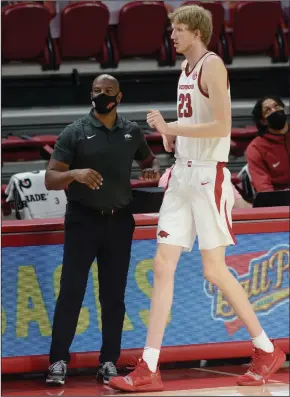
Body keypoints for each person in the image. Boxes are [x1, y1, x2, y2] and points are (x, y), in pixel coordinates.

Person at [109, 5, 286, 393]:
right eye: (171, 29)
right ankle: (149, 365)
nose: (171, 35)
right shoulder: (184, 71)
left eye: (178, 29)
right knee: (162, 265)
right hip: (182, 174)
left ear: (196, 32)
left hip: (208, 177)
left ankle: (265, 347)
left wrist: (173, 126)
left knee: (213, 270)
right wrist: (171, 135)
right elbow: (194, 123)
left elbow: (223, 125)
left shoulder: (212, 65)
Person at [45, 74, 160, 386]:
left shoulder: (131, 131)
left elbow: (149, 161)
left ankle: (109, 361)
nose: (101, 95)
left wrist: (151, 170)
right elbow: (50, 178)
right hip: (83, 220)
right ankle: (58, 361)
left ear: (118, 97)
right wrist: (76, 173)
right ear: (90, 95)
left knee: (113, 297)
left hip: (120, 221)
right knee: (71, 293)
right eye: (96, 90)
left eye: (108, 91)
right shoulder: (75, 132)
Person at [246, 96, 290, 193]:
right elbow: (263, 187)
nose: (274, 111)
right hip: (279, 198)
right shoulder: (256, 148)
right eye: (268, 110)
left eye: (277, 106)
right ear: (263, 121)